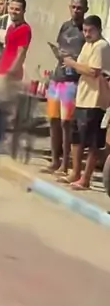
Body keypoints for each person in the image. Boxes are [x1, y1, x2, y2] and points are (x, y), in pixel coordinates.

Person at [60, 15, 110, 190]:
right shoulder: (87, 45)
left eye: (91, 31)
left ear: (99, 30)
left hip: (95, 100)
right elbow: (82, 67)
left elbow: (93, 71)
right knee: (77, 138)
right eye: (85, 31)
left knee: (93, 142)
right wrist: (71, 64)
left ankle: (85, 178)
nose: (87, 34)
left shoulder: (101, 46)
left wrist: (72, 64)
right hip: (82, 97)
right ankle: (75, 172)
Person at [43, 0, 87, 175]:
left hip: (72, 81)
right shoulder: (65, 26)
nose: (76, 10)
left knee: (66, 123)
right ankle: (55, 160)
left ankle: (65, 163)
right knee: (53, 120)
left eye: (79, 8)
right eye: (73, 7)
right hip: (57, 78)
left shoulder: (86, 30)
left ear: (85, 10)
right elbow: (60, 47)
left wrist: (73, 62)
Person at [0, 0, 32, 79]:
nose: (13, 11)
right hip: (2, 70)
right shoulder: (11, 27)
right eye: (11, 8)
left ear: (23, 11)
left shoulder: (24, 29)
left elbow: (21, 55)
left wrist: (10, 73)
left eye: (17, 9)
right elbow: (7, 49)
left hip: (11, 74)